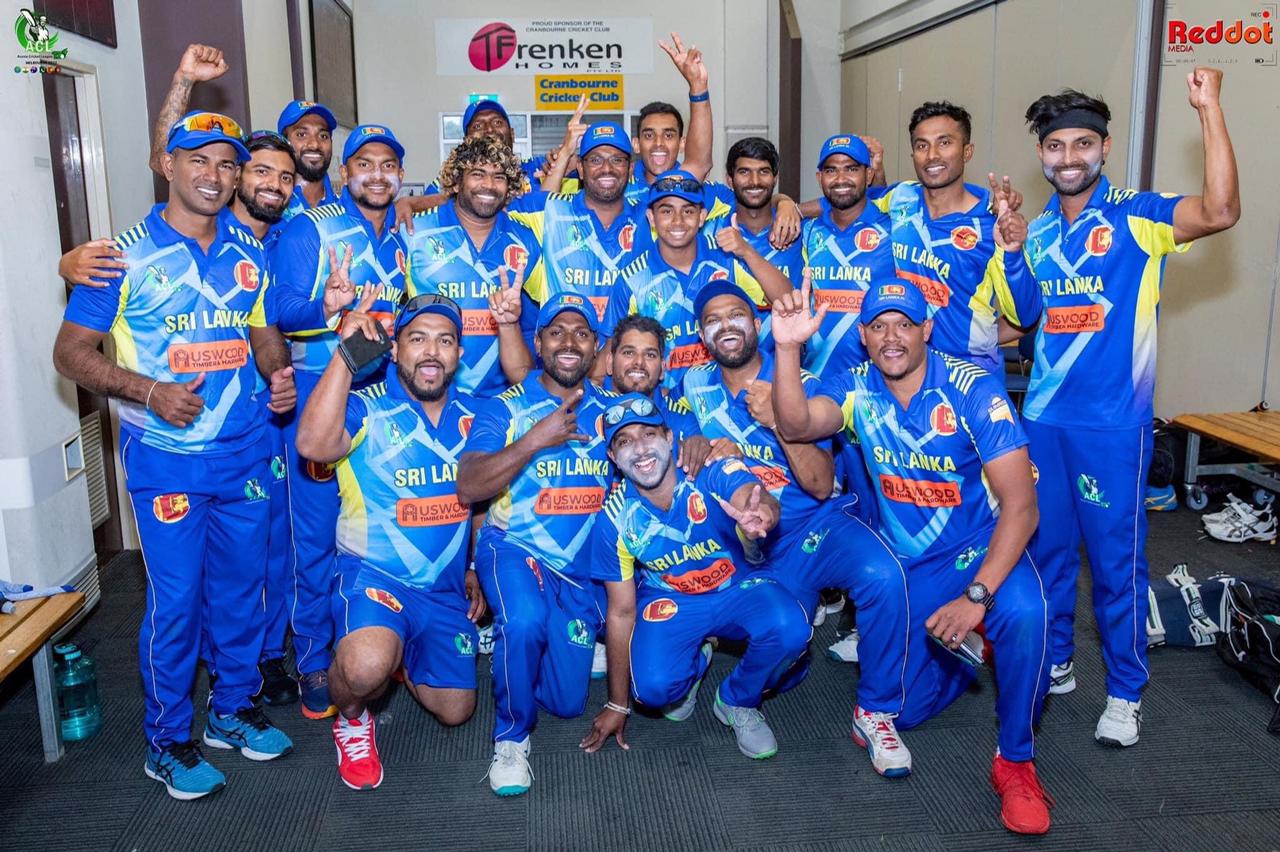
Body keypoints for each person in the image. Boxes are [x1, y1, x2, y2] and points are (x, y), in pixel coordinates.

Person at [52, 112, 297, 800]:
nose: (214, 176)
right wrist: (149, 390)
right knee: (178, 603)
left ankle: (232, 710)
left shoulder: (249, 250)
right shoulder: (119, 257)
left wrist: (276, 373)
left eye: (227, 164)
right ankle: (166, 740)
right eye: (199, 160)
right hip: (167, 457)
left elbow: (260, 330)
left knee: (242, 594)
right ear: (168, 165)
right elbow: (69, 354)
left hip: (244, 451)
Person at [770, 279, 1054, 835]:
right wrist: (785, 347)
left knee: (1025, 613)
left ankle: (1016, 761)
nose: (892, 337)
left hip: (978, 549)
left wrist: (976, 598)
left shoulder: (974, 390)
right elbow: (797, 425)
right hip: (913, 566)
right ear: (863, 335)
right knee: (904, 711)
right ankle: (963, 656)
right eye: (879, 326)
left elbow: (1023, 509)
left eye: (904, 324)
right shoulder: (855, 386)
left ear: (926, 329)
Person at [1021, 67, 1240, 745]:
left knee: (1116, 564)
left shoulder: (1139, 217)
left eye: (1082, 144)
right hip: (1043, 421)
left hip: (1113, 426)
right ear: (1041, 154)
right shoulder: (1034, 233)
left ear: (1105, 147)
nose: (1069, 158)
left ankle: (1124, 692)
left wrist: (1209, 108)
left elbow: (1221, 211)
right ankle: (1057, 659)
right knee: (1046, 553)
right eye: (1056, 146)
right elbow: (1021, 322)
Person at [683, 281, 914, 771]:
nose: (726, 326)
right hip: (742, 540)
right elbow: (676, 442)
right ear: (701, 335)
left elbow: (820, 483)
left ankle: (875, 711)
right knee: (786, 642)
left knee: (883, 575)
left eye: (736, 314)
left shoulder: (800, 382)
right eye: (712, 320)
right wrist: (699, 447)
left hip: (811, 526)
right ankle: (718, 673)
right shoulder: (693, 383)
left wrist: (778, 422)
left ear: (757, 323)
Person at [293, 292, 487, 791]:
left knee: (456, 711)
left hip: (442, 590)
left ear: (459, 353)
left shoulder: (476, 414)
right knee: (364, 669)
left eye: (445, 341)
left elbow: (485, 496)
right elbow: (311, 444)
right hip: (375, 578)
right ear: (395, 349)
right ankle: (353, 719)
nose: (431, 352)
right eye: (417, 339)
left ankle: (398, 651)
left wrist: (474, 567)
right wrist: (345, 356)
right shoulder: (366, 406)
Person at [580, 395, 812, 760]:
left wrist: (762, 514)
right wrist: (617, 704)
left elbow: (755, 496)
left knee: (792, 629)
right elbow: (621, 611)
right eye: (624, 441)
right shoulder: (614, 520)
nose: (640, 448)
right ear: (612, 457)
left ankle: (737, 699)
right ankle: (697, 660)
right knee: (652, 689)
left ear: (670, 437)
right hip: (673, 599)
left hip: (738, 587)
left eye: (648, 434)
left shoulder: (711, 468)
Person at [271, 124, 411, 719]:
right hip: (320, 391)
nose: (377, 174)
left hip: (382, 396)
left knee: (374, 524)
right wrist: (325, 307)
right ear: (345, 172)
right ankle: (311, 658)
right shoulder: (313, 226)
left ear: (399, 175)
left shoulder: (401, 234)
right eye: (365, 164)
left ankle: (375, 636)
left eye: (388, 165)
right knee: (315, 532)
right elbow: (280, 310)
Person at [455, 294, 618, 797]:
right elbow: (468, 485)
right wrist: (533, 439)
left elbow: (660, 443)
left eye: (581, 333)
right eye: (556, 332)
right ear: (539, 343)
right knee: (523, 620)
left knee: (567, 703)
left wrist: (701, 441)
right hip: (513, 546)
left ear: (595, 348)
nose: (569, 342)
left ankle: (524, 651)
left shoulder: (612, 410)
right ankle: (510, 738)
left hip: (576, 571)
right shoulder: (504, 405)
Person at [874, 101, 1041, 374]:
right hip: (905, 374)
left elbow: (1027, 317)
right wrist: (795, 208)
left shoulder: (993, 224)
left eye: (944, 143)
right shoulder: (901, 197)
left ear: (967, 151)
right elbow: (850, 206)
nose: (932, 155)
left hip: (970, 374)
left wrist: (978, 338)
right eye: (922, 145)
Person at [601, 169, 792, 392]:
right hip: (664, 403)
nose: (678, 221)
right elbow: (611, 358)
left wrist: (747, 252)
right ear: (651, 218)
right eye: (666, 211)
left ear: (702, 216)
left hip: (727, 396)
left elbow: (787, 300)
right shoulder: (631, 278)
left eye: (688, 211)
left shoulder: (726, 256)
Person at [404, 135, 541, 398]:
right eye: (478, 174)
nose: (489, 185)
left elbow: (553, 311)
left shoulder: (525, 240)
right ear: (457, 181)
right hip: (429, 396)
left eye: (499, 177)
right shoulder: (415, 232)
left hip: (502, 398)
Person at [800, 135, 896, 379]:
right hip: (815, 380)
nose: (841, 178)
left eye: (851, 169)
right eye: (831, 170)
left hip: (876, 383)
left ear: (869, 174)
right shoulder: (807, 232)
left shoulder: (894, 230)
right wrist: (785, 204)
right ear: (819, 178)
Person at [277, 99, 341, 220]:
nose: (314, 145)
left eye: (323, 136)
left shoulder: (345, 211)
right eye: (301, 135)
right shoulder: (269, 208)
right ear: (283, 143)